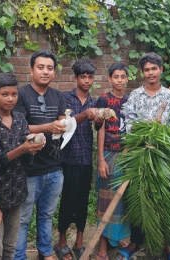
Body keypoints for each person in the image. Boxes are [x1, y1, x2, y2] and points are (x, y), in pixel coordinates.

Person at [120, 52, 170, 260]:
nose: (151, 73)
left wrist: (161, 135)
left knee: (162, 199)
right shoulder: (135, 95)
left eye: (154, 68)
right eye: (147, 69)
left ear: (161, 70)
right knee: (137, 198)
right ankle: (135, 242)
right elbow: (129, 126)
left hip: (161, 155)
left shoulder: (169, 96)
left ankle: (165, 245)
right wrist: (147, 129)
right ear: (142, 72)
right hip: (138, 154)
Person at [13, 50, 67, 260]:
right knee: (24, 218)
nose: (45, 72)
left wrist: (63, 126)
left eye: (50, 68)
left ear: (54, 71)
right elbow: (20, 128)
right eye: (40, 67)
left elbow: (61, 123)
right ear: (31, 69)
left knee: (46, 216)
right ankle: (19, 256)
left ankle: (45, 251)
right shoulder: (21, 95)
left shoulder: (58, 96)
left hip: (54, 168)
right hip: (29, 169)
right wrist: (49, 126)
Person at [0, 73, 44, 260]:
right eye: (5, 94)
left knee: (11, 247)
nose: (11, 99)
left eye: (14, 94)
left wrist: (33, 149)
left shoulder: (20, 118)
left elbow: (26, 161)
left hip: (17, 191)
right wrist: (22, 149)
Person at [56, 59, 104, 260]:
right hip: (68, 159)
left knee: (83, 202)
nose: (86, 80)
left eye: (90, 76)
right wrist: (84, 114)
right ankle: (62, 241)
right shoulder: (64, 99)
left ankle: (79, 241)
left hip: (86, 160)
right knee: (67, 200)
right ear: (75, 78)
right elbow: (63, 124)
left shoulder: (96, 101)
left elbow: (98, 128)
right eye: (83, 76)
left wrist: (99, 120)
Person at [95, 62, 130, 260]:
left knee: (123, 198)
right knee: (106, 199)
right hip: (108, 153)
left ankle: (117, 238)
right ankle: (102, 245)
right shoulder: (104, 99)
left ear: (127, 79)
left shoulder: (130, 100)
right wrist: (101, 159)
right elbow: (100, 129)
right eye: (115, 77)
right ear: (109, 79)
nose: (119, 80)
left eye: (122, 77)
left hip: (126, 154)